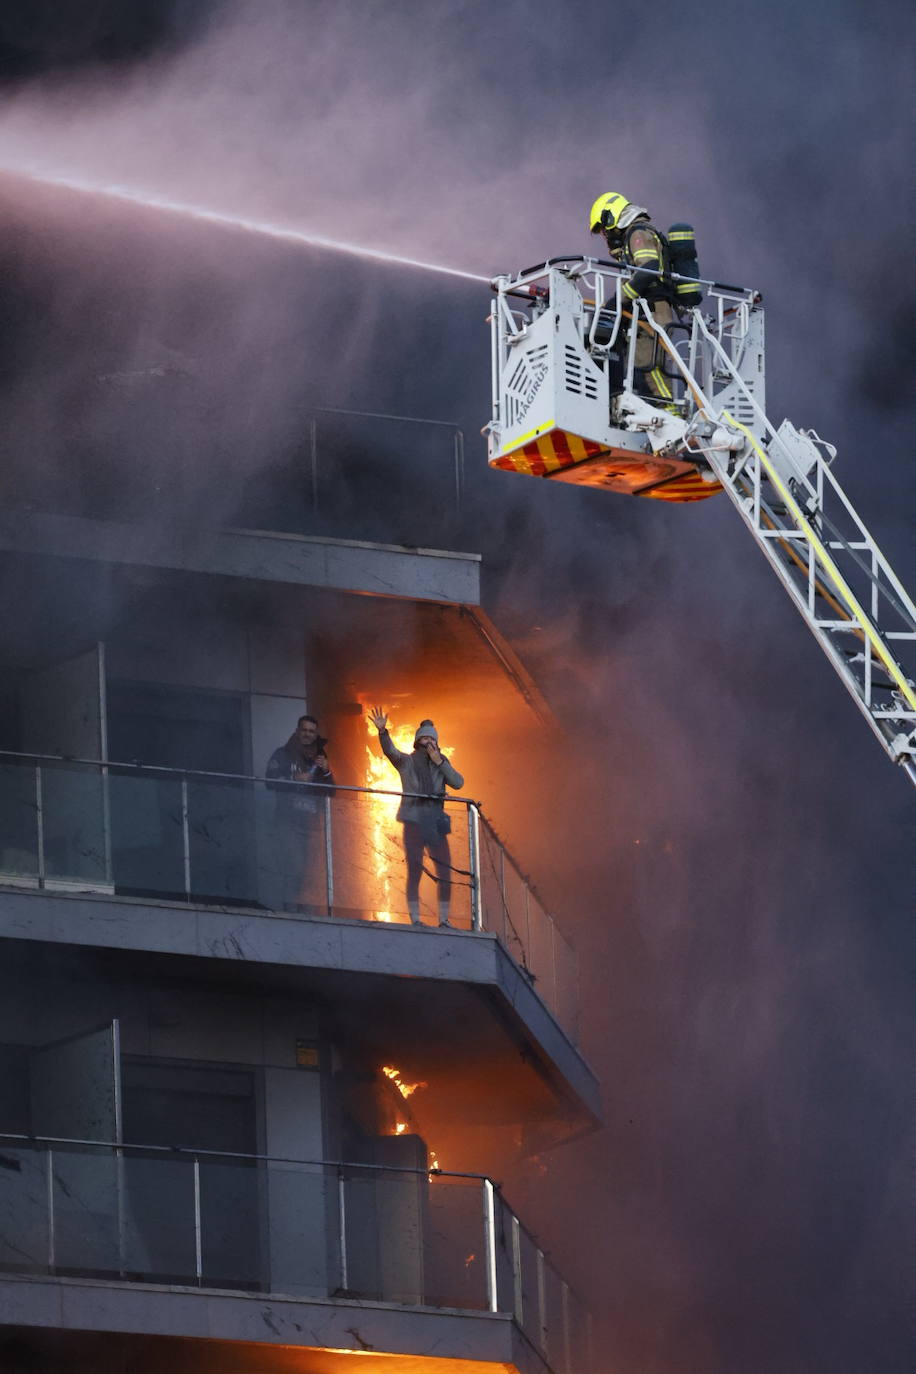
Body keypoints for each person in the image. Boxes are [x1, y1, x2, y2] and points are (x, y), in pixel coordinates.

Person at [588, 192, 700, 408]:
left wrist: (619, 300)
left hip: (653, 312)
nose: (605, 235)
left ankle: (669, 413)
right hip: (648, 312)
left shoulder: (637, 233)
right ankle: (662, 411)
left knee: (649, 369)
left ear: (612, 217)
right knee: (642, 369)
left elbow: (649, 268)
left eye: (604, 229)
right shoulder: (636, 234)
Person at [367, 709, 464, 927]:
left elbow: (458, 783)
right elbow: (391, 752)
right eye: (424, 737)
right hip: (413, 821)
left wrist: (440, 762)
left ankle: (444, 920)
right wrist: (383, 732)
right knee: (415, 869)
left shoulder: (441, 763)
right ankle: (416, 919)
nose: (428, 741)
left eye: (432, 738)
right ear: (417, 740)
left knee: (445, 871)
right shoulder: (407, 762)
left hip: (436, 823)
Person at [264, 715, 333, 912]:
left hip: (312, 825)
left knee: (309, 874)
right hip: (288, 823)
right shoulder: (283, 754)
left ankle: (304, 913)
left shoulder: (320, 759)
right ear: (297, 731)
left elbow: (331, 792)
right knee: (293, 868)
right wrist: (295, 778)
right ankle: (290, 913)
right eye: (304, 730)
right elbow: (270, 781)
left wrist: (327, 771)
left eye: (312, 731)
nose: (307, 734)